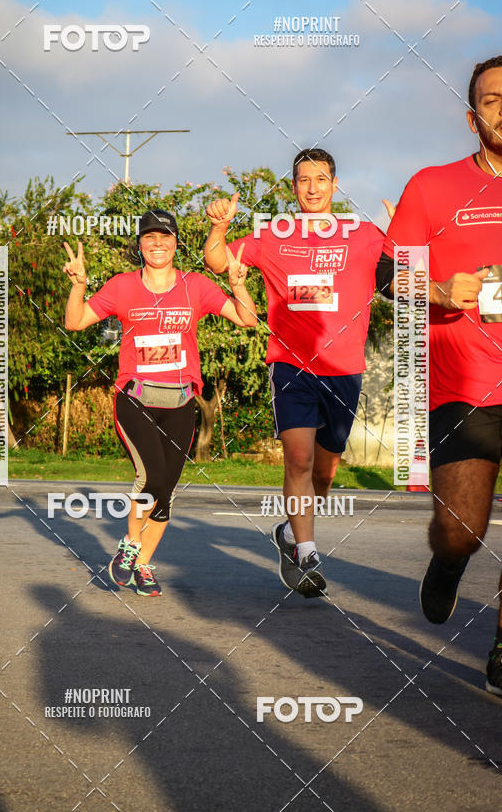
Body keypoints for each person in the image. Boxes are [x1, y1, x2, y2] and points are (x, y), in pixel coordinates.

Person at [376, 55, 502, 697]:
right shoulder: (431, 187)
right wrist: (440, 290)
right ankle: (449, 560)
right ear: (472, 117)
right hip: (463, 384)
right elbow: (386, 276)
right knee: (462, 528)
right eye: (492, 99)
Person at [204, 150, 384, 597]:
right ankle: (307, 554)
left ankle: (287, 531)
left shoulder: (363, 234)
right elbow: (218, 261)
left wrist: (406, 231)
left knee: (323, 475)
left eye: (321, 179)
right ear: (293, 187)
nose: (312, 187)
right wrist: (219, 227)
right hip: (290, 366)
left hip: (344, 370)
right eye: (304, 180)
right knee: (298, 460)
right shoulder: (272, 236)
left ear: (335, 184)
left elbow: (405, 270)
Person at [63, 209, 257, 596]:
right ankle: (130, 546)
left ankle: (143, 566)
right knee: (150, 477)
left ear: (176, 244)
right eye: (149, 237)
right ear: (139, 244)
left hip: (181, 402)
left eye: (165, 237)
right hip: (135, 397)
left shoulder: (195, 285)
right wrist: (79, 286)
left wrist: (237, 285)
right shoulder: (122, 286)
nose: (157, 244)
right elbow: (75, 321)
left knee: (164, 493)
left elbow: (246, 318)